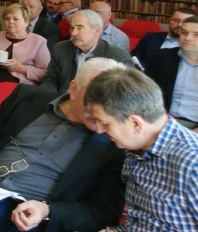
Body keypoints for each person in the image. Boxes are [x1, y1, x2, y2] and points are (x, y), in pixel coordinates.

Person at [0, 58, 126, 232]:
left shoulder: (113, 145)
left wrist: (48, 211)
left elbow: (103, 212)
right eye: (94, 97)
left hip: (25, 218)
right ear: (74, 89)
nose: (102, 107)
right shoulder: (26, 97)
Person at [84, 66, 198, 231]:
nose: (100, 130)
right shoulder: (135, 148)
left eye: (105, 123)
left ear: (135, 123)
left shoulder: (192, 163)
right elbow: (141, 223)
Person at [39, 9, 132, 94]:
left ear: (97, 30)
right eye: (71, 28)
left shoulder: (117, 56)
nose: (73, 33)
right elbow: (50, 79)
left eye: (80, 28)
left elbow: (124, 92)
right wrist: (52, 99)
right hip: (62, 99)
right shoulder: (61, 48)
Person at [0, 3, 51, 99]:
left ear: (26, 22)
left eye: (15, 19)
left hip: (20, 91)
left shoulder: (38, 41)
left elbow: (46, 72)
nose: (10, 22)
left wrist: (21, 68)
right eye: (7, 18)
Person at [144, 15, 198, 130]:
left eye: (196, 34)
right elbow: (144, 94)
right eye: (184, 33)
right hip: (161, 122)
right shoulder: (160, 58)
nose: (188, 38)